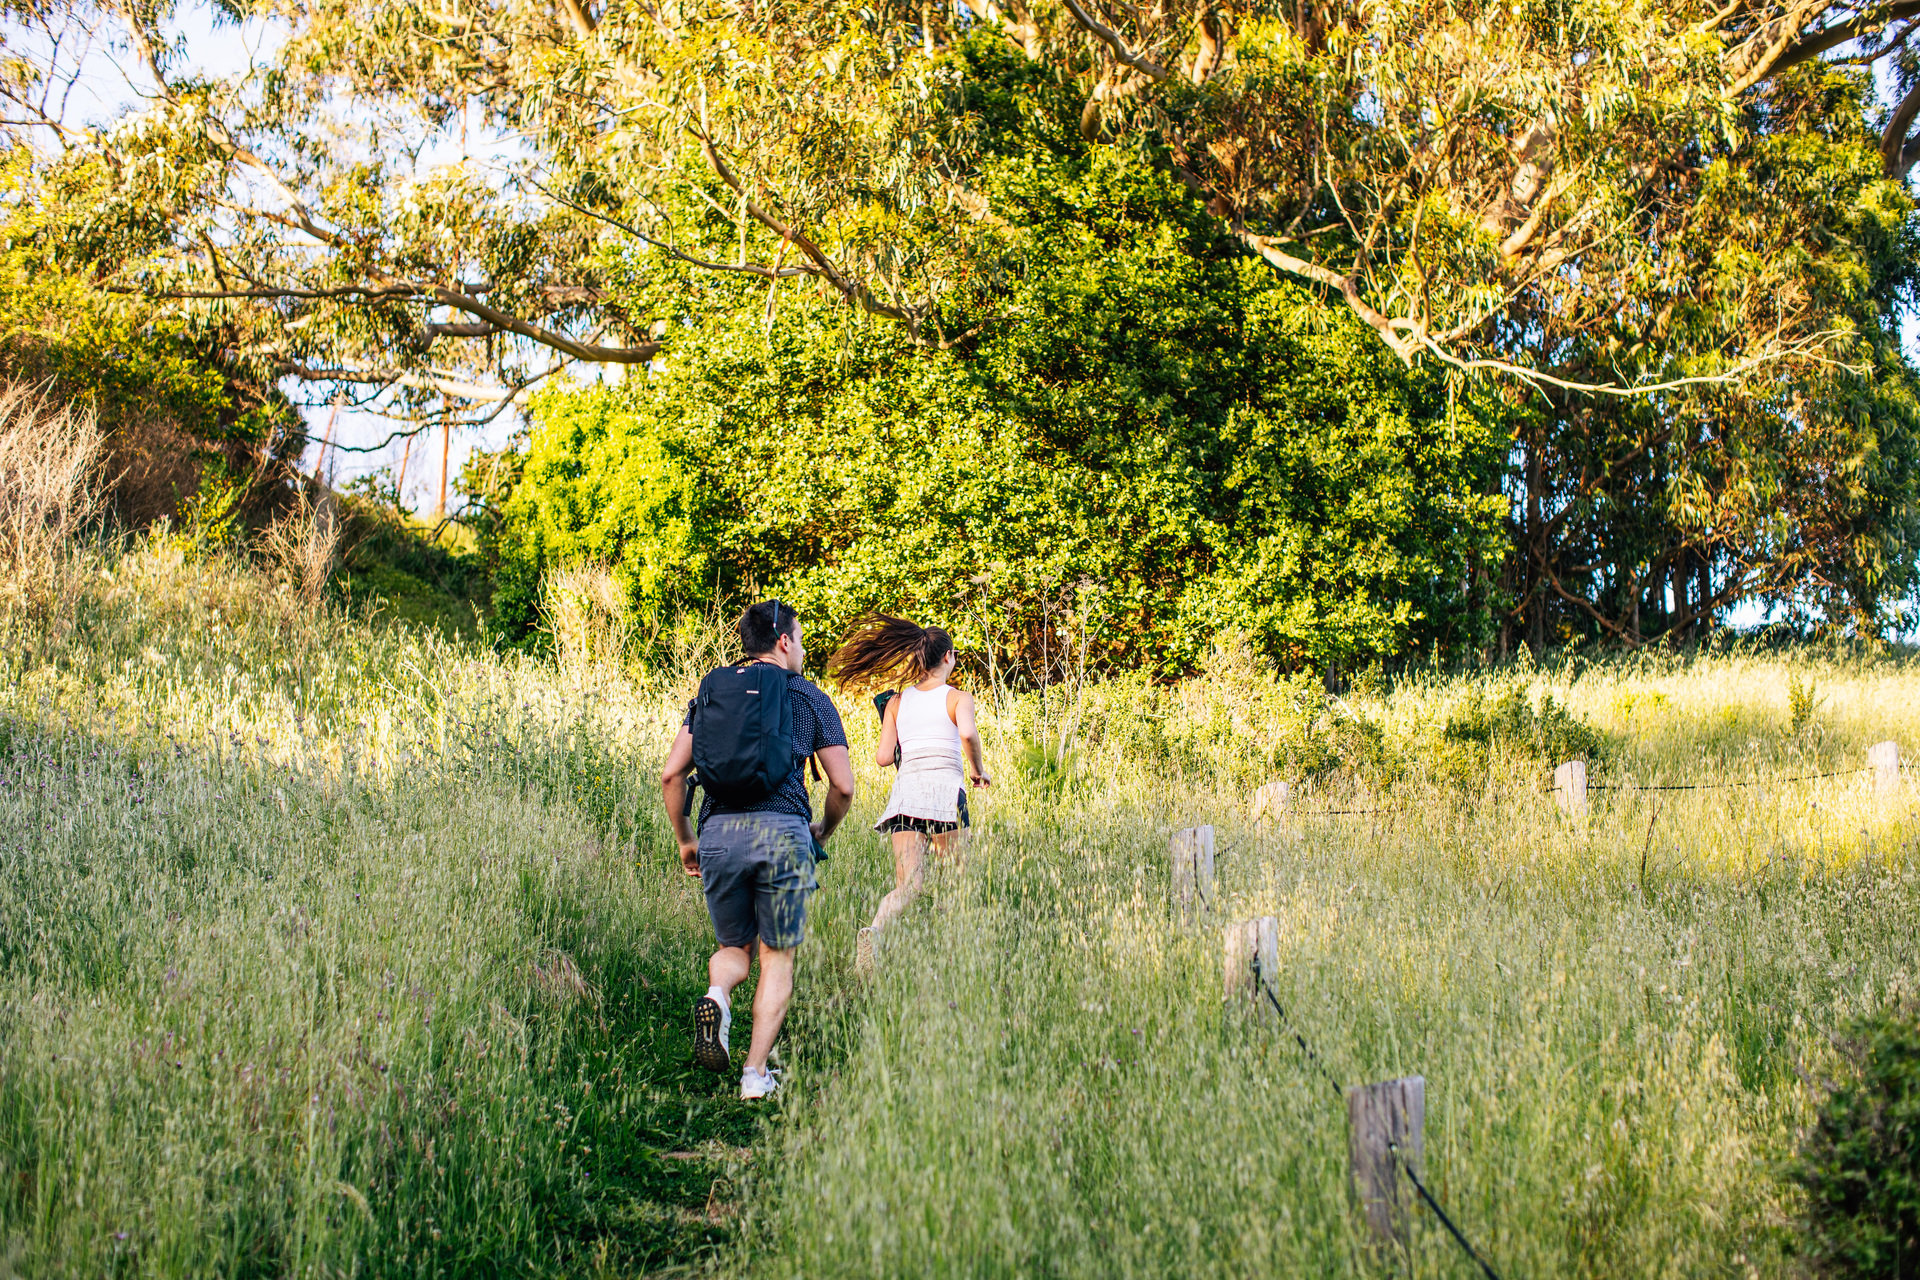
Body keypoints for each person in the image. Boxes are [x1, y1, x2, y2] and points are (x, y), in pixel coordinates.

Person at [659, 600, 854, 1101]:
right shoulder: (809, 697)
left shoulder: (711, 693)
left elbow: (671, 774)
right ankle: (754, 1074)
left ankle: (717, 996)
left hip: (719, 836)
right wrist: (821, 833)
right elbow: (844, 788)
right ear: (784, 641)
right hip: (785, 836)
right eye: (802, 638)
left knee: (733, 949)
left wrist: (687, 840)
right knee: (777, 957)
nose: (804, 649)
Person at [827, 615, 990, 974]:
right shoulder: (959, 697)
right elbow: (967, 734)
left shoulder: (898, 702)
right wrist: (978, 771)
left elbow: (884, 758)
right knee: (955, 879)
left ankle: (874, 930)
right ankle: (953, 957)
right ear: (948, 656)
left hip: (905, 796)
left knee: (909, 884)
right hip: (946, 791)